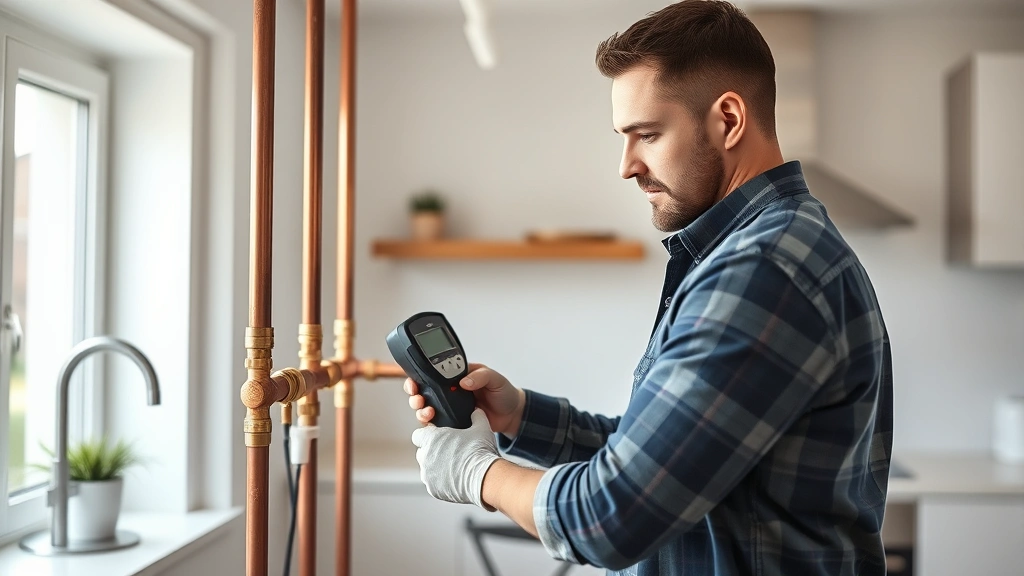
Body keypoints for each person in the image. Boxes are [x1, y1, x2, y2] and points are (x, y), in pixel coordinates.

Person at [404, 1, 893, 574]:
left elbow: (612, 517)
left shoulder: (763, 268)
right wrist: (519, 416)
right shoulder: (767, 249)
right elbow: (666, 462)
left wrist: (475, 473)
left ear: (729, 120)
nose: (626, 165)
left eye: (648, 135)